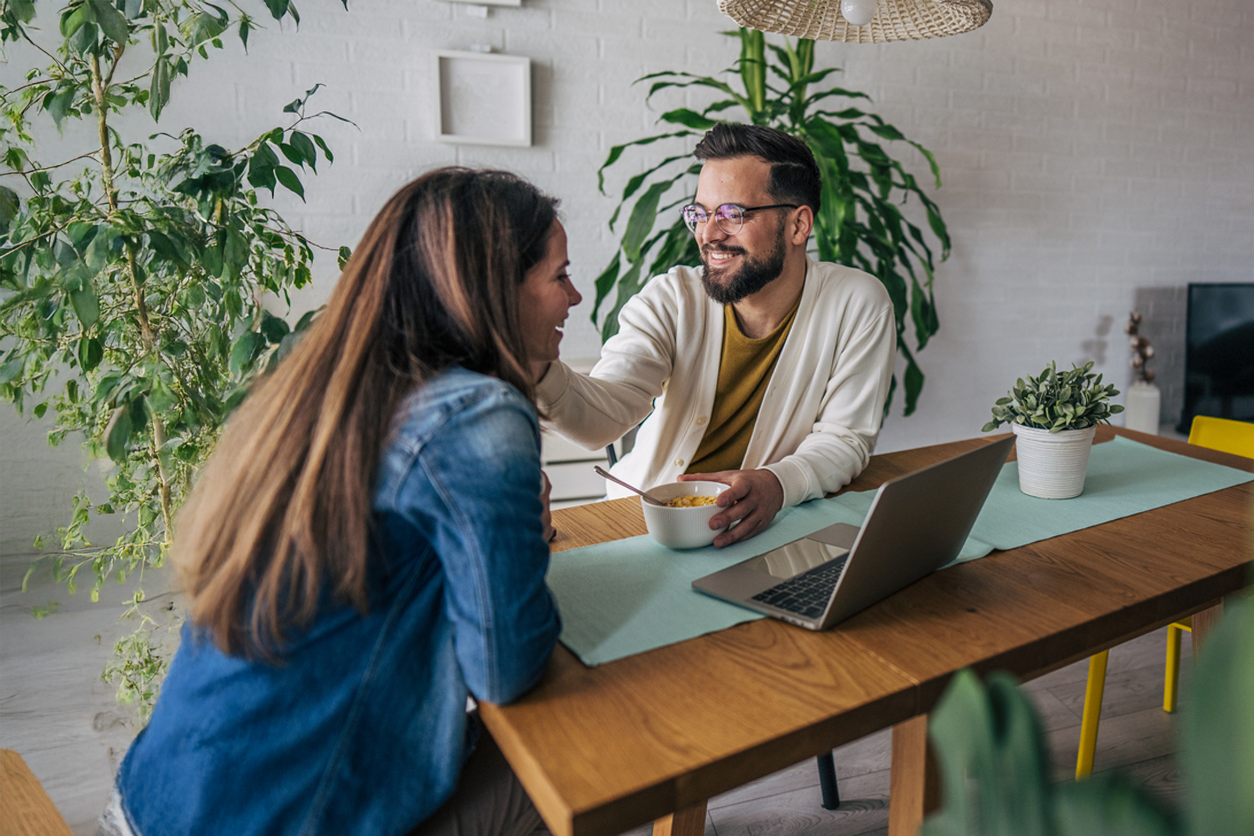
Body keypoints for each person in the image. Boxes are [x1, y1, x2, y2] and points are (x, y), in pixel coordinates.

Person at [95, 168, 581, 836]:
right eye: (559, 275)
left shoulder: (321, 384)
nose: (574, 296)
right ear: (493, 285)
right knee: (578, 757)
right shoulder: (475, 413)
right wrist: (527, 536)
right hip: (276, 822)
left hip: (154, 801)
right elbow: (505, 666)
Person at [534, 123, 896, 547]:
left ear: (798, 225)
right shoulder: (671, 299)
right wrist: (536, 365)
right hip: (639, 524)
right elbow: (603, 419)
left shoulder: (858, 303)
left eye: (731, 214)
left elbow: (845, 438)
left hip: (763, 532)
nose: (707, 234)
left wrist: (777, 484)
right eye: (700, 214)